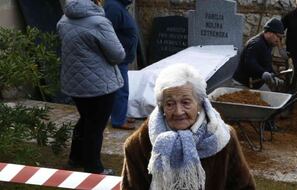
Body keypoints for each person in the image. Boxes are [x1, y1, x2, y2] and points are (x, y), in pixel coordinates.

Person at [121, 64, 255, 190]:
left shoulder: (223, 137)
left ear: (199, 103)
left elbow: (244, 187)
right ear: (162, 107)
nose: (178, 111)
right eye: (170, 104)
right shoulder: (139, 144)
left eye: (185, 102)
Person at [57, 0, 125, 174]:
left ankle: (75, 159)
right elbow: (118, 55)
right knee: (95, 126)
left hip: (74, 82)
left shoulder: (65, 18)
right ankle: (94, 168)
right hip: (99, 85)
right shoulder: (99, 22)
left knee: (85, 120)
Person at [104, 0, 139, 130]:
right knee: (121, 90)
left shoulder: (119, 6)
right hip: (118, 58)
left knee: (120, 89)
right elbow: (108, 34)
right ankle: (118, 120)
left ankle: (120, 116)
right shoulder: (114, 7)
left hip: (122, 57)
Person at [233, 17, 284, 90]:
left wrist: (273, 75)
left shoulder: (268, 44)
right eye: (278, 37)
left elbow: (266, 63)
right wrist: (263, 73)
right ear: (269, 32)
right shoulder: (256, 43)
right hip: (243, 84)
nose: (278, 40)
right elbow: (249, 62)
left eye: (280, 38)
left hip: (256, 84)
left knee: (269, 97)